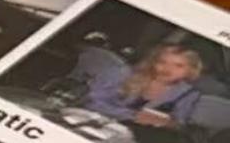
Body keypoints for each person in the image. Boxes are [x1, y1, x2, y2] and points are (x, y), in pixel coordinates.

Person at [71, 41, 206, 128]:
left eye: (178, 66)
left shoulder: (188, 93)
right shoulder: (123, 73)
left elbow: (179, 123)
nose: (167, 69)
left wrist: (166, 123)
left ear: (191, 70)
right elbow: (89, 100)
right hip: (87, 120)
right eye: (162, 62)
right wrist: (132, 116)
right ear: (153, 62)